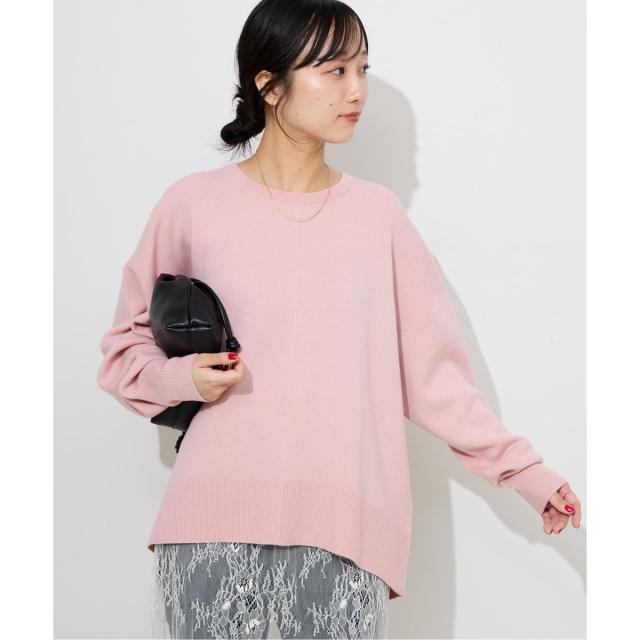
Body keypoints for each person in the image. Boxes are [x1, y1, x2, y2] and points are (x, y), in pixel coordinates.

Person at [96, 1, 581, 638]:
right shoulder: (192, 204)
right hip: (211, 524)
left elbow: (434, 380)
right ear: (269, 84)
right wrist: (185, 378)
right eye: (334, 70)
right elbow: (124, 349)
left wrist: (526, 473)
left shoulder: (379, 219)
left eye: (362, 70)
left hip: (343, 534)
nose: (357, 91)